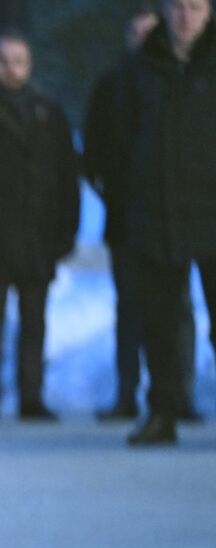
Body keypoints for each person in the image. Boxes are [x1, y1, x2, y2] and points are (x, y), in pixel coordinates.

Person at [0, 32, 79, 421]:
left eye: (19, 60)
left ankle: (31, 396)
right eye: (4, 60)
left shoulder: (47, 111)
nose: (12, 68)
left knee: (34, 317)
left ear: (30, 64)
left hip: (39, 230)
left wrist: (65, 226)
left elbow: (66, 173)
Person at [85, 8, 198, 423]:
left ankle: (179, 395)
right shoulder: (116, 83)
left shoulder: (188, 75)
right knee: (139, 310)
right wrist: (117, 192)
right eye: (134, 31)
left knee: (178, 309)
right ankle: (134, 396)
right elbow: (99, 147)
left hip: (189, 213)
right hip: (133, 213)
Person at [115, 0, 216, 445]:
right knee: (160, 322)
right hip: (156, 214)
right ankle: (162, 412)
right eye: (177, 6)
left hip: (212, 211)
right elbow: (117, 142)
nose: (185, 16)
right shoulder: (140, 69)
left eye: (195, 7)